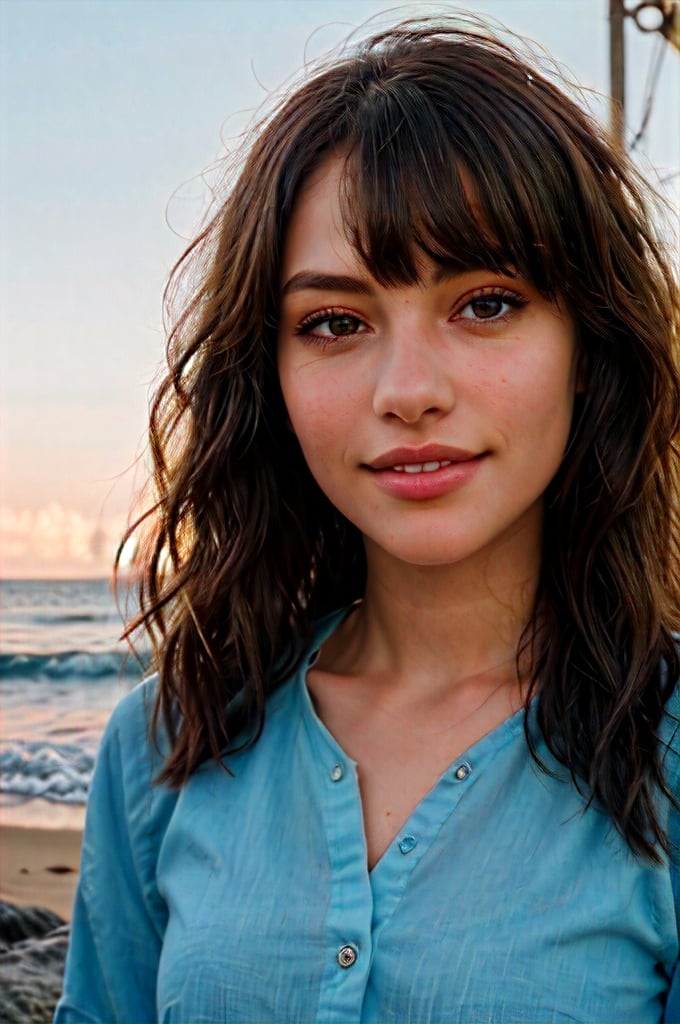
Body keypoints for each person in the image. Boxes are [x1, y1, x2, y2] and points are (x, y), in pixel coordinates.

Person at [55, 15, 680, 1024]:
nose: (407, 389)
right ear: (272, 371)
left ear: (587, 344)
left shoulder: (665, 750)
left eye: (483, 301)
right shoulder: (165, 743)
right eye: (335, 322)